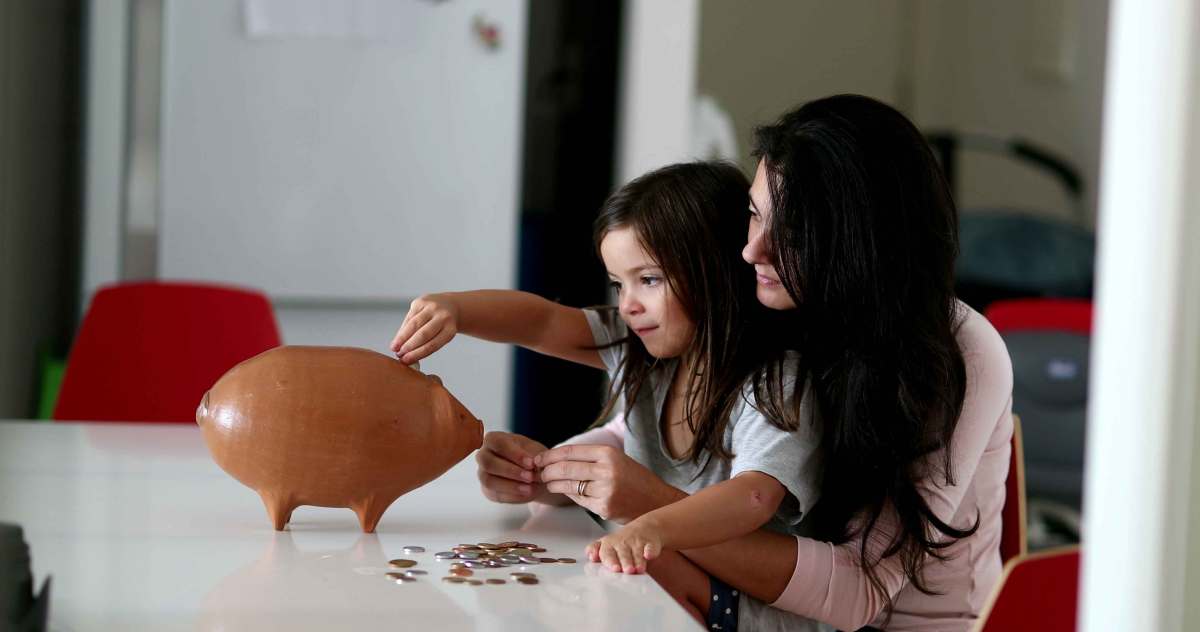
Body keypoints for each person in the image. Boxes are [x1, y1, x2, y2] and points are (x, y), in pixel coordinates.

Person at [517, 95, 1014, 631]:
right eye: (754, 215)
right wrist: (557, 470)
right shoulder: (777, 293)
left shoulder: (959, 353)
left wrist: (651, 505)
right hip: (777, 603)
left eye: (793, 231)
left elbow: (855, 595)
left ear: (862, 242)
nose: (753, 251)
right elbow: (657, 420)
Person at [390, 162, 824, 631]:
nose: (628, 304)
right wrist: (456, 309)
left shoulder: (775, 379)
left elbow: (753, 496)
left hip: (747, 613)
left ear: (716, 270)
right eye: (619, 284)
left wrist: (650, 525)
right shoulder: (641, 350)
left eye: (649, 280)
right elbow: (541, 323)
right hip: (661, 583)